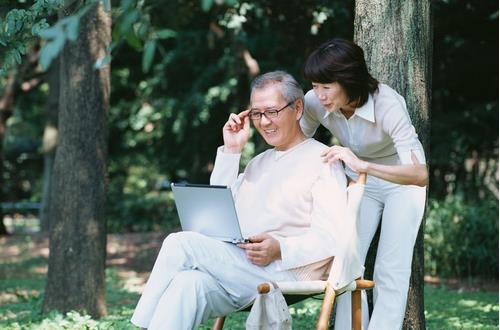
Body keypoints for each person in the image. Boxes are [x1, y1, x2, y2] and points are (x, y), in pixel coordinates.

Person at [130, 71, 362, 329]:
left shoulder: (323, 160)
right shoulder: (257, 163)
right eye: (256, 113)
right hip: (241, 266)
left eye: (272, 112)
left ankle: (139, 325)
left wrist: (280, 248)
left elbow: (331, 237)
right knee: (188, 284)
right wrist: (231, 151)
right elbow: (218, 212)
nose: (263, 122)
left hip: (285, 270)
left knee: (179, 243)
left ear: (297, 108)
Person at [301, 38, 428, 330]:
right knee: (347, 261)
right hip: (360, 182)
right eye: (315, 86)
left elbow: (420, 175)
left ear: (349, 79)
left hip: (402, 180)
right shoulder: (314, 102)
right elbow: (299, 145)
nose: (318, 95)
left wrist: (362, 165)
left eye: (326, 86)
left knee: (390, 268)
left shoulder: (388, 104)